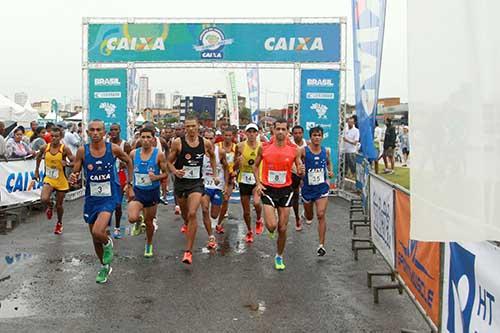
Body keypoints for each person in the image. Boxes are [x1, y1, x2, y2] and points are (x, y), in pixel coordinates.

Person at [69, 119, 133, 284]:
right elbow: (76, 170)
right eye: (92, 130)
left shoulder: (113, 149)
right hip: (91, 199)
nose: (95, 133)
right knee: (94, 237)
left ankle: (108, 241)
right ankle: (104, 267)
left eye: (99, 130)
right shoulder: (83, 151)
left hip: (109, 197)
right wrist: (74, 176)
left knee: (99, 232)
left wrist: (129, 183)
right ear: (87, 133)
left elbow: (129, 161)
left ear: (104, 133)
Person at [167, 116, 219, 265]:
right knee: (186, 215)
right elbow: (168, 162)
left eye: (193, 126)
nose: (190, 129)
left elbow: (213, 157)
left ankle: (188, 252)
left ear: (198, 127)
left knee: (192, 213)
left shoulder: (205, 143)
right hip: (181, 184)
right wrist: (175, 171)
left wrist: (215, 174)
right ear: (185, 128)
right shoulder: (178, 143)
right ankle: (187, 224)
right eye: (187, 126)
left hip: (196, 184)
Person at [253, 118, 303, 270]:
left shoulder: (295, 149)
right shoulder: (264, 147)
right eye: (278, 129)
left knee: (282, 227)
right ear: (273, 130)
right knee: (272, 225)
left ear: (288, 132)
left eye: (283, 129)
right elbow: (255, 166)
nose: (280, 132)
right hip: (268, 189)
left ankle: (279, 256)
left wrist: (301, 170)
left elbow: (299, 167)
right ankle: (268, 226)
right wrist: (258, 183)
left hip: (286, 190)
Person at [127, 126, 168, 257]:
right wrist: (129, 185)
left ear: (153, 139)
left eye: (148, 137)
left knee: (149, 222)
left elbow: (166, 173)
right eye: (142, 137)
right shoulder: (134, 153)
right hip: (138, 192)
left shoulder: (159, 155)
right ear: (139, 138)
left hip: (152, 193)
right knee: (132, 218)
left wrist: (156, 177)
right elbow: (130, 169)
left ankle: (149, 244)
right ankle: (138, 220)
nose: (145, 140)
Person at [300, 126, 334, 256]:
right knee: (310, 217)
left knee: (320, 214)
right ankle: (306, 214)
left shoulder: (326, 151)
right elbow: (296, 162)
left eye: (319, 135)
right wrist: (300, 168)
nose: (317, 137)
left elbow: (329, 163)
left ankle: (321, 245)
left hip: (322, 188)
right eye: (314, 135)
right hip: (308, 189)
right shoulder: (303, 151)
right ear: (310, 137)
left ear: (322, 137)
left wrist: (330, 171)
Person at [35, 127, 74, 234]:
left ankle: (59, 223)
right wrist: (37, 171)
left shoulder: (64, 149)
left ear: (60, 137)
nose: (54, 138)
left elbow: (74, 161)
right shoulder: (45, 147)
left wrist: (68, 164)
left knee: (59, 205)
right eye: (52, 136)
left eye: (56, 136)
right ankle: (49, 205)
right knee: (44, 198)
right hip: (49, 178)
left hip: (61, 180)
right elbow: (38, 157)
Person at [231, 123, 264, 242]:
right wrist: (237, 162)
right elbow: (234, 166)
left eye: (253, 132)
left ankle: (259, 219)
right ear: (245, 133)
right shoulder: (239, 146)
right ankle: (249, 231)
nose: (251, 134)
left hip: (257, 180)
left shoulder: (262, 146)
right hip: (243, 180)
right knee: (246, 211)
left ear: (257, 133)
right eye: (249, 132)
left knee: (256, 202)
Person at [201, 129, 229, 249]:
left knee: (214, 214)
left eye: (211, 138)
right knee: (204, 209)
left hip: (218, 186)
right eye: (206, 138)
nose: (209, 141)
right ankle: (210, 236)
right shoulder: (199, 152)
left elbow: (226, 168)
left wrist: (226, 185)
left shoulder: (220, 152)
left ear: (215, 139)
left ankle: (215, 224)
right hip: (204, 185)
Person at [108, 123, 131, 239]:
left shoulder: (125, 145)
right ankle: (107, 225)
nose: (113, 132)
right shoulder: (106, 144)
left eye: (115, 130)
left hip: (120, 175)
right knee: (106, 203)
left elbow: (130, 160)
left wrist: (125, 165)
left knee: (117, 204)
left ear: (120, 131)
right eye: (111, 130)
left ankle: (117, 228)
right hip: (108, 176)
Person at [216, 127, 237, 227]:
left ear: (233, 136)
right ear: (222, 136)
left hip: (230, 177)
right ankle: (219, 210)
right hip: (219, 176)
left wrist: (236, 171)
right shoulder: (217, 147)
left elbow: (238, 163)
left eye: (230, 135)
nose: (228, 137)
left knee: (226, 198)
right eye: (226, 135)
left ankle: (219, 222)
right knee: (218, 198)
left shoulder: (236, 148)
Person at [290, 125, 308, 231]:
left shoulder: (307, 144)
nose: (298, 135)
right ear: (292, 134)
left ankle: (305, 213)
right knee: (295, 196)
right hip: (293, 173)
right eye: (295, 133)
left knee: (308, 196)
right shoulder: (290, 144)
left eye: (299, 133)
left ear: (302, 133)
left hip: (306, 174)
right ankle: (297, 218)